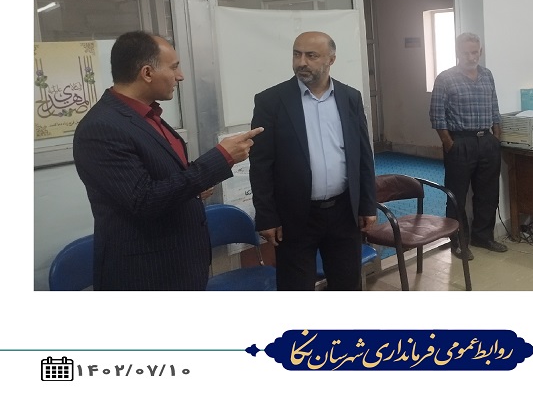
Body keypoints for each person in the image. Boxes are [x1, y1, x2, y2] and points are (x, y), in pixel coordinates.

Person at [73, 31, 262, 290]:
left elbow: (161, 180)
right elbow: (144, 200)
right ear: (147, 73)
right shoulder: (102, 128)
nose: (180, 76)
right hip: (147, 275)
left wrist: (196, 188)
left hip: (182, 265)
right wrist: (221, 157)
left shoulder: (146, 116)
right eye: (174, 67)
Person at [249, 31, 377, 291]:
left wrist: (367, 204)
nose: (301, 62)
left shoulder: (350, 98)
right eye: (297, 54)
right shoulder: (271, 101)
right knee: (296, 288)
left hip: (344, 212)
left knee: (347, 285)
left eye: (311, 56)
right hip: (295, 216)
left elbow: (362, 155)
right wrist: (266, 216)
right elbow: (261, 164)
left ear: (331, 59)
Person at [429, 32, 506, 261]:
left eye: (475, 52)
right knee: (457, 196)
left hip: (487, 142)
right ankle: (458, 241)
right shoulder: (445, 78)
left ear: (480, 52)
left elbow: (494, 107)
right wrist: (449, 143)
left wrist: (496, 136)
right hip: (460, 142)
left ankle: (483, 237)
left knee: (488, 193)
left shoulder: (487, 75)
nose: (471, 57)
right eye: (466, 53)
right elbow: (436, 115)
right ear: (457, 53)